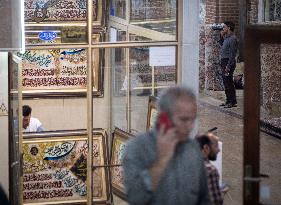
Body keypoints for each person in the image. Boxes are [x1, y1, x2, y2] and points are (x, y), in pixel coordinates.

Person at [122, 86, 210, 205]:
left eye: (193, 120)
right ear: (164, 118)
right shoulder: (136, 148)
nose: (190, 127)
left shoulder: (192, 148)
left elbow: (203, 197)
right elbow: (136, 197)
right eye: (184, 120)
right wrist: (162, 160)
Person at [196, 133, 226, 205]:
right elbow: (216, 202)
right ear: (206, 148)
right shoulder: (210, 170)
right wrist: (222, 193)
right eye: (216, 146)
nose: (219, 150)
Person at [219, 21, 238, 108]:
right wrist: (221, 36)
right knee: (226, 82)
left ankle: (231, 102)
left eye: (224, 27)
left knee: (228, 82)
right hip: (224, 62)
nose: (223, 28)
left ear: (229, 28)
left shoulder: (233, 39)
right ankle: (229, 101)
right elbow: (222, 46)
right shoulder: (227, 37)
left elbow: (232, 54)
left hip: (228, 62)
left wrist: (228, 66)